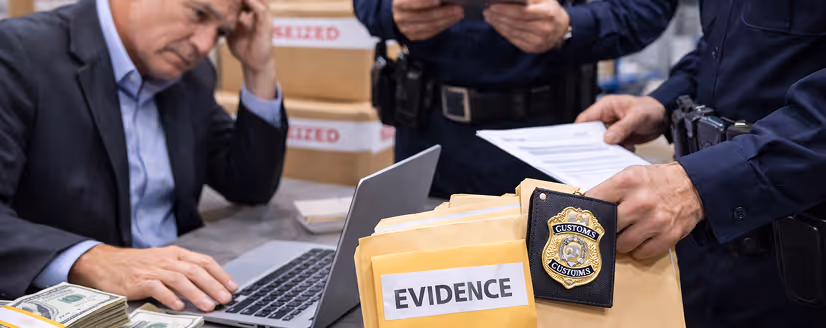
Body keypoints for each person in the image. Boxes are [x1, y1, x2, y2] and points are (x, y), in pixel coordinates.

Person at [0, 0, 288, 313]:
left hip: (180, 297)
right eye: (198, 14)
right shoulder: (20, 52)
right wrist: (89, 260)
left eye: (221, 31)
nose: (204, 45)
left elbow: (250, 185)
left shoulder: (191, 77)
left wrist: (258, 69)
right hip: (75, 305)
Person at [576, 0, 826, 325]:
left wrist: (696, 186)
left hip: (797, 256)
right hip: (705, 237)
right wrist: (661, 103)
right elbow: (719, 49)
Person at [355, 0, 678, 198]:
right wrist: (389, 11)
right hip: (427, 137)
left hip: (547, 145)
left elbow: (646, 8)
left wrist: (572, 26)